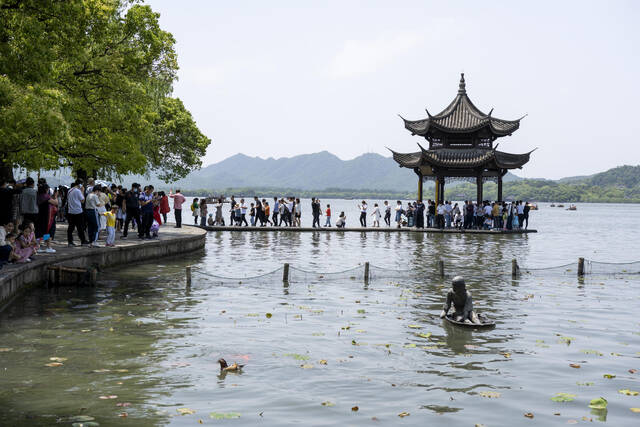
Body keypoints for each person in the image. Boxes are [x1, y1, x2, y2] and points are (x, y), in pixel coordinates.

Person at [67, 180, 88, 246]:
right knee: (80, 227)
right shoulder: (78, 191)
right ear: (80, 184)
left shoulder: (69, 190)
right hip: (78, 211)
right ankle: (83, 241)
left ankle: (70, 241)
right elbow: (82, 201)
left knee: (71, 227)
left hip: (70, 211)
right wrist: (83, 191)